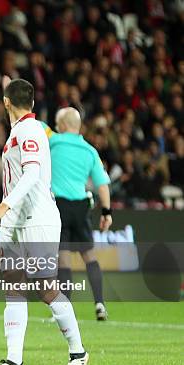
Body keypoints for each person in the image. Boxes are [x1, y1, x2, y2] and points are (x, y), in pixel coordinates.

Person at [0, 77, 88, 365]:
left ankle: (78, 354)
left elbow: (31, 174)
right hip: (16, 223)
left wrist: (4, 205)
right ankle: (13, 361)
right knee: (13, 288)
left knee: (45, 289)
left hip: (37, 219)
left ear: (5, 103)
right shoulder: (22, 129)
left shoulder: (29, 130)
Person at [47, 107, 112, 320]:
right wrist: (106, 212)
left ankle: (64, 311)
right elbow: (102, 185)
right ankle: (100, 303)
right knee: (89, 256)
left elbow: (33, 123)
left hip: (60, 207)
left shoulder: (52, 142)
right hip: (81, 206)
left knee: (63, 259)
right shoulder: (90, 150)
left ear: (63, 125)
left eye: (58, 124)